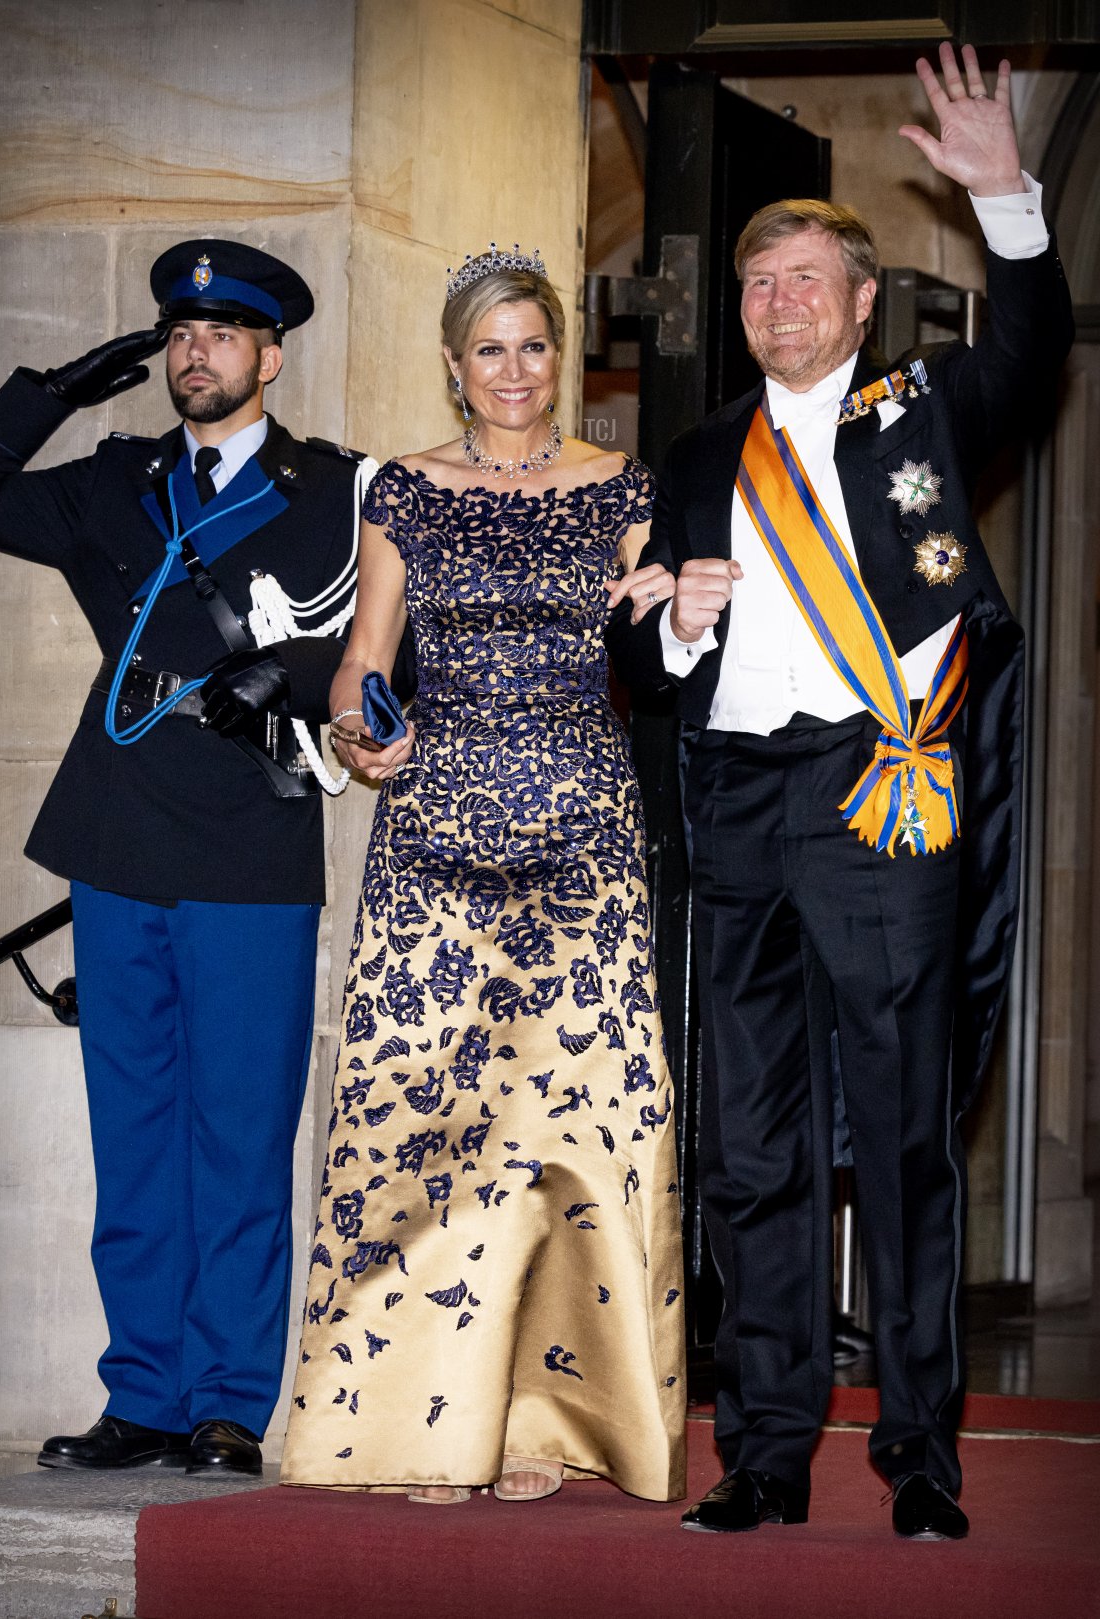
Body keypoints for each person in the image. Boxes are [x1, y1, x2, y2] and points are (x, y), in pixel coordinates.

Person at [606, 45, 1073, 1539]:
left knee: (905, 1127)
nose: (780, 301)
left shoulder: (923, 410)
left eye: (809, 279)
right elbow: (646, 656)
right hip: (741, 798)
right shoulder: (695, 453)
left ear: (864, 303)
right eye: (760, 283)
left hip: (882, 794)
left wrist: (1005, 197)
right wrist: (677, 626)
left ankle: (921, 1451)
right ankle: (765, 1448)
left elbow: (1034, 358)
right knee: (753, 1144)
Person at [0, 239, 400, 1478]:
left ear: (269, 357)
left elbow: (400, 639)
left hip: (248, 843)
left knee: (239, 1137)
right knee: (132, 1135)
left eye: (223, 334)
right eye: (181, 334)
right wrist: (53, 392)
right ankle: (141, 1391)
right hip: (116, 831)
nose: (196, 352)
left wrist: (296, 679)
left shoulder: (336, 489)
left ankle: (227, 1399)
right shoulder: (115, 482)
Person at [278, 245, 687, 1504]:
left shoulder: (626, 487)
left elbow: (662, 656)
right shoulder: (405, 488)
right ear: (455, 366)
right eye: (490, 349)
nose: (515, 371)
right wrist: (361, 726)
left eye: (534, 345)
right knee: (428, 1120)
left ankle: (542, 1421)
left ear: (562, 357)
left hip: (583, 838)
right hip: (436, 841)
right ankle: (423, 1418)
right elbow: (364, 656)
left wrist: (672, 610)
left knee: (573, 1131)